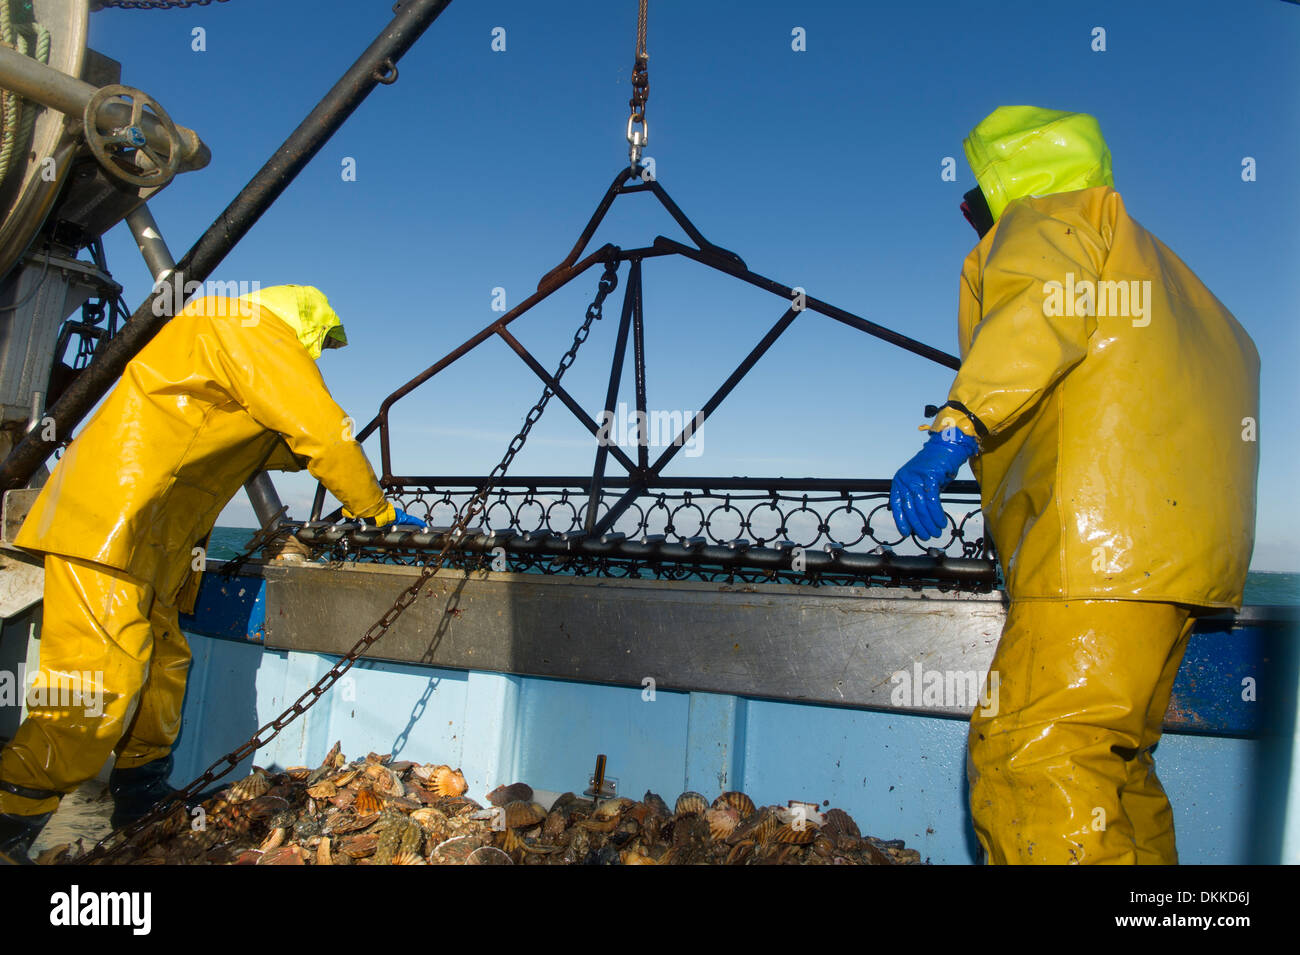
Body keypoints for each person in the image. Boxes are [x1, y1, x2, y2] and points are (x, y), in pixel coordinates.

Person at [890, 107, 1259, 864]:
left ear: (1010, 185)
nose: (975, 216)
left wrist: (956, 427)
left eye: (977, 200)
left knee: (1034, 756)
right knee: (1117, 767)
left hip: (1096, 562)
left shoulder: (1051, 220)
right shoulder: (1172, 278)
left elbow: (1038, 312)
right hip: (1178, 575)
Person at [0, 284, 423, 862]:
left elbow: (263, 439)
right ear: (304, 323)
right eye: (319, 343)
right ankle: (12, 818)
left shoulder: (223, 341)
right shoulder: (248, 326)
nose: (315, 356)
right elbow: (321, 428)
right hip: (109, 525)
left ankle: (139, 803)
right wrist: (375, 510)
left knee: (163, 672)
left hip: (151, 543)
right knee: (93, 690)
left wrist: (319, 459)